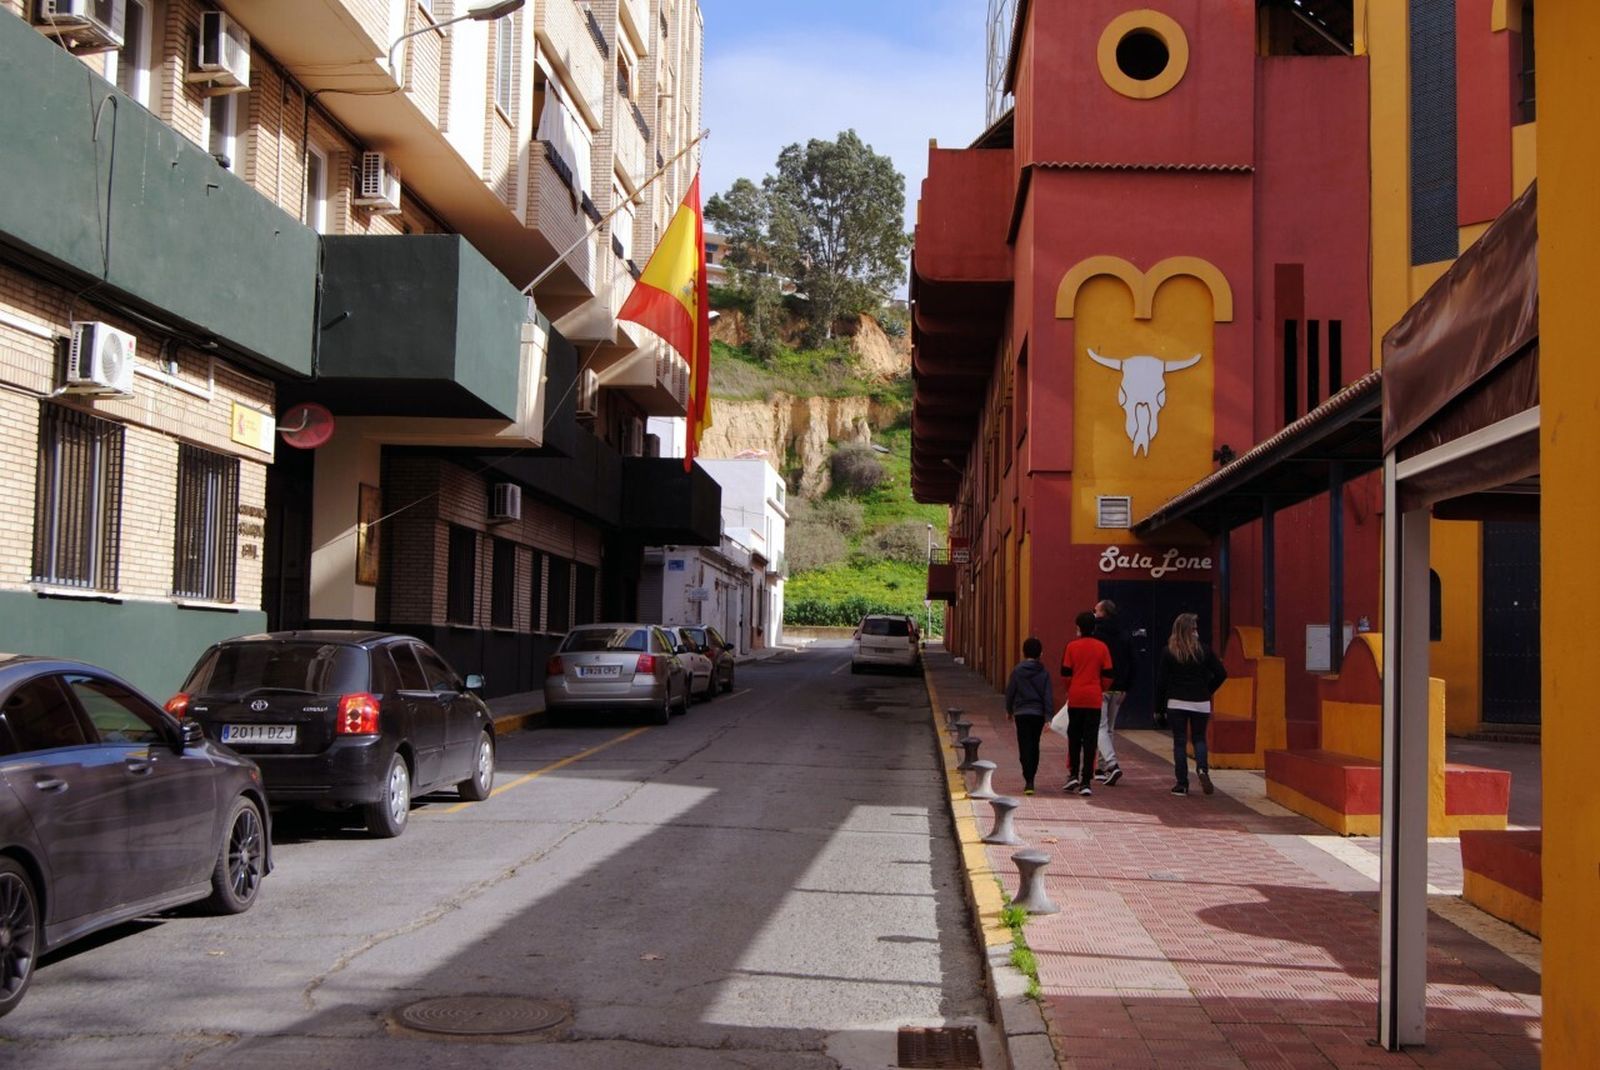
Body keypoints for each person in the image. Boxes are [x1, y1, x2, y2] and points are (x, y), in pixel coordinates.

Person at [1154, 612, 1228, 797]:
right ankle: (1202, 770)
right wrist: (1207, 690)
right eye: (1194, 628)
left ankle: (1182, 784)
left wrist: (1158, 708)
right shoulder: (1204, 650)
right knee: (1199, 739)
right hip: (1200, 702)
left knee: (1179, 742)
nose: (1197, 630)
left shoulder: (1169, 651)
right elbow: (1221, 673)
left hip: (1176, 701)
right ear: (1191, 630)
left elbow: (1161, 682)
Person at [1058, 611, 1114, 796]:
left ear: (1079, 628)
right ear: (1094, 627)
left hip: (1076, 696)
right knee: (1090, 740)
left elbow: (1065, 673)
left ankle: (1073, 774)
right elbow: (1108, 674)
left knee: (1074, 737)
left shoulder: (1072, 647)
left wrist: (1072, 687)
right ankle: (1086, 781)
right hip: (1094, 698)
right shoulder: (1102, 648)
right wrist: (1099, 687)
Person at [1004, 636, 1054, 796]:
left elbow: (1010, 692)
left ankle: (1028, 779)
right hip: (1038, 714)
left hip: (1021, 713)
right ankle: (1032, 776)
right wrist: (1048, 717)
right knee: (1034, 744)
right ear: (1041, 653)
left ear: (1023, 652)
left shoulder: (1017, 671)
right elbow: (1047, 695)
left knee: (1024, 744)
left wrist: (1009, 710)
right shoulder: (1044, 673)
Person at [1092, 599, 1134, 786]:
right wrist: (1126, 687)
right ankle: (1101, 769)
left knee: (1100, 727)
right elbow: (1132, 663)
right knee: (1109, 729)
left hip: (1101, 685)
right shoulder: (1124, 634)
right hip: (1119, 688)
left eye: (1096, 610)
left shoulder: (1095, 634)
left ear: (1102, 613)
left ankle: (1112, 763)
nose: (1094, 613)